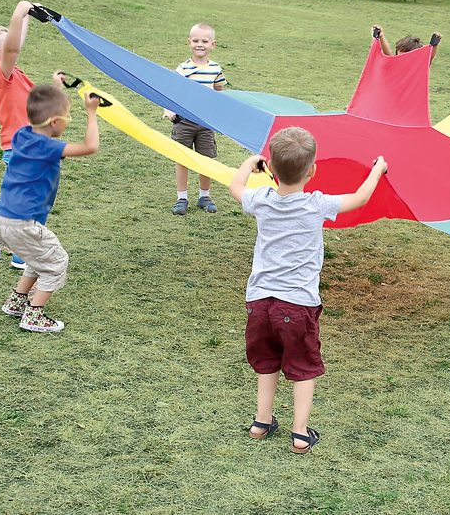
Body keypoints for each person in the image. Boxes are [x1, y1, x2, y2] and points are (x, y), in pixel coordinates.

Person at [229, 127, 387, 454]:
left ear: (270, 170)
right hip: (297, 305)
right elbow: (359, 199)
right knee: (301, 367)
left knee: (267, 361)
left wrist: (249, 163)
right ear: (312, 171)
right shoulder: (317, 205)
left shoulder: (261, 200)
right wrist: (377, 169)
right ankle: (300, 433)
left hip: (259, 302)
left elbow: (236, 186)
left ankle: (261, 421)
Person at [0, 85, 101, 333]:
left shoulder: (21, 135)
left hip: (3, 219)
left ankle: (16, 301)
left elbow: (42, 107)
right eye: (67, 118)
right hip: (23, 224)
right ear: (54, 122)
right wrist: (91, 113)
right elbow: (90, 147)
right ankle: (34, 315)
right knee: (56, 261)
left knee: (38, 257)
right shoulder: (48, 147)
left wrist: (57, 88)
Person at [0, 1, 63, 270]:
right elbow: (13, 47)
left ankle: (23, 255)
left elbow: (15, 42)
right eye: (9, 45)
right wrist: (17, 11)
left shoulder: (7, 72)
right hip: (23, 147)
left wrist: (29, 16)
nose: (16, 47)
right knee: (24, 201)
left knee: (39, 200)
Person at [163, 23, 227, 216]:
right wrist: (168, 110)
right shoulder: (183, 68)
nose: (200, 44)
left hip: (206, 123)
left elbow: (220, 93)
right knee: (182, 160)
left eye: (205, 41)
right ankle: (182, 198)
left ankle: (204, 196)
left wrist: (222, 115)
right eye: (196, 40)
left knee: (205, 160)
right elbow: (170, 93)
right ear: (189, 42)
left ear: (213, 44)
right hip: (183, 122)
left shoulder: (216, 69)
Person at [372, 24, 442, 61]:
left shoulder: (417, 68)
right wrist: (381, 37)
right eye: (398, 55)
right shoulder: (396, 65)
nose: (400, 58)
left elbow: (429, 58)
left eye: (403, 56)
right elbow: (388, 56)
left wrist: (434, 45)